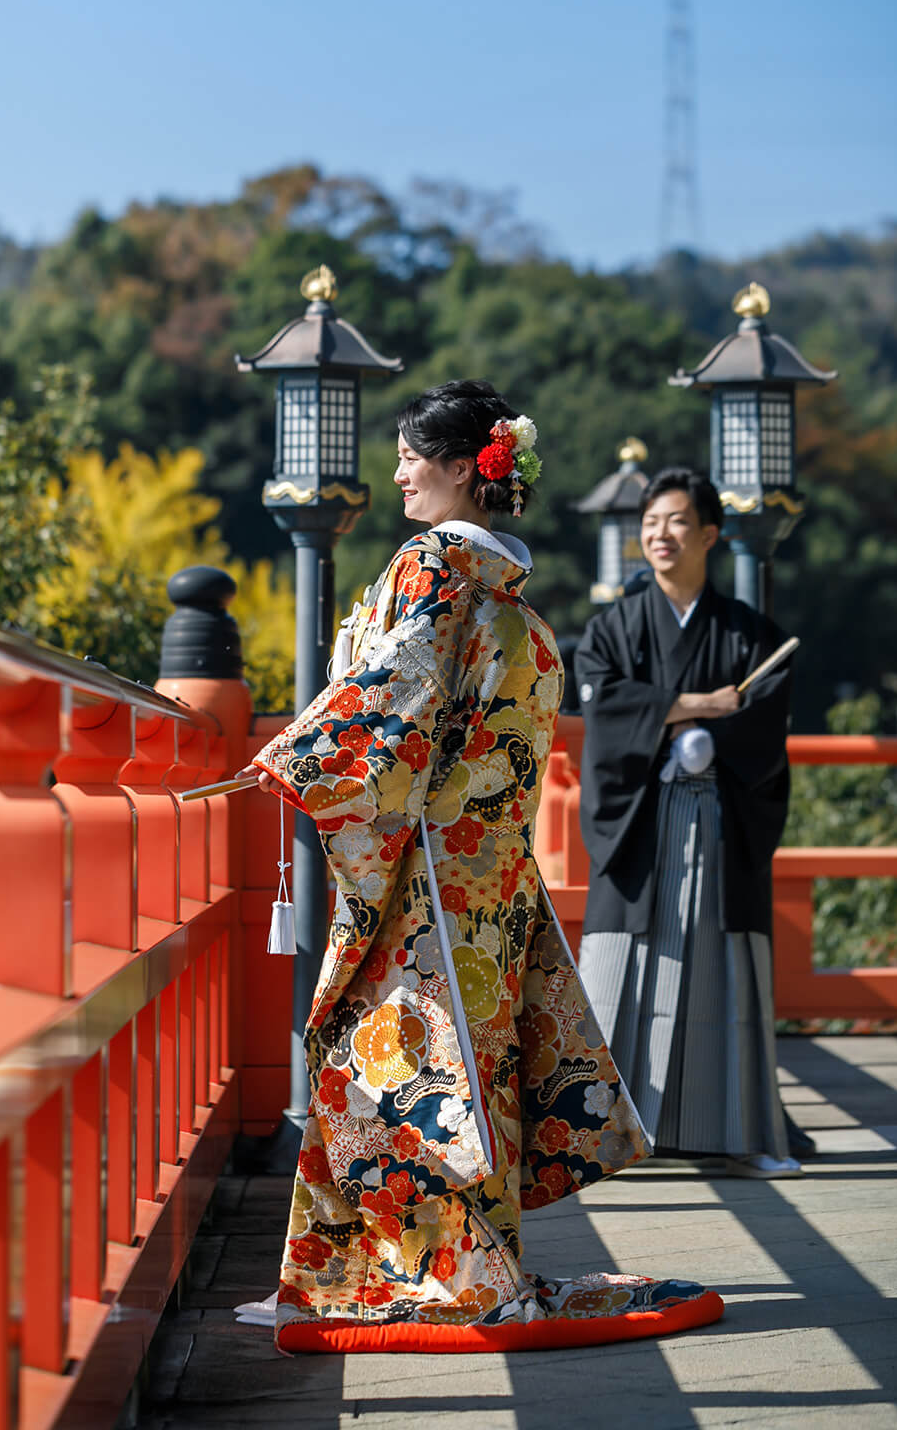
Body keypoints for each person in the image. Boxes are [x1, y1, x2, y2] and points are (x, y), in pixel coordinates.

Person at [242, 383, 723, 1353]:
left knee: (404, 1067)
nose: (398, 472)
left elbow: (393, 686)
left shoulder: (433, 568)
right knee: (470, 1065)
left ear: (464, 466)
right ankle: (451, 1262)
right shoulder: (509, 593)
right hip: (488, 877)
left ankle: (431, 1276)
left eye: (412, 455)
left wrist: (292, 756)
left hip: (424, 877)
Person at [575, 466, 799, 1179]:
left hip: (716, 824)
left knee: (721, 976)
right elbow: (602, 707)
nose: (658, 534)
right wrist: (698, 707)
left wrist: (711, 743)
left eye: (675, 521)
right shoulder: (612, 628)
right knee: (619, 974)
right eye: (650, 523)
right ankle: (599, 1141)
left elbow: (765, 728)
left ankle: (736, 1135)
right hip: (641, 820)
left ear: (709, 534)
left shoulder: (749, 632)